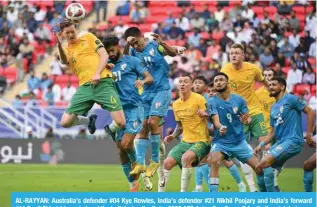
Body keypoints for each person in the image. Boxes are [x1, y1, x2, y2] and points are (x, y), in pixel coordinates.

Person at [118, 27, 177, 180]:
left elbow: (173, 53)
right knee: (143, 125)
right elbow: (123, 61)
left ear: (142, 37)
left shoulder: (154, 45)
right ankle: (139, 163)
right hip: (145, 92)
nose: (136, 46)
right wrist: (127, 44)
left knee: (153, 121)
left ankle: (155, 160)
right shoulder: (132, 52)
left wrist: (162, 42)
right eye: (133, 44)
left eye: (136, 42)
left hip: (161, 90)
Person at [54, 20, 125, 134]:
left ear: (76, 30)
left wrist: (97, 73)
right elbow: (63, 61)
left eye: (73, 31)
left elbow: (104, 55)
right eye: (67, 33)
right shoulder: (65, 49)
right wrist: (59, 44)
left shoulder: (88, 37)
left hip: (103, 82)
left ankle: (110, 129)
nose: (71, 35)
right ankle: (88, 121)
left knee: (121, 123)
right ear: (62, 34)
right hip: (85, 87)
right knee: (65, 122)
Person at [103, 36, 153, 192]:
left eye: (112, 50)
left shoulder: (132, 61)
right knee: (121, 150)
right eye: (107, 51)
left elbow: (149, 78)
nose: (110, 53)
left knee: (126, 143)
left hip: (135, 108)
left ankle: (139, 164)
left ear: (118, 46)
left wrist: (142, 82)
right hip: (119, 111)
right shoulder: (105, 66)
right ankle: (133, 185)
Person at [221, 43, 269, 192]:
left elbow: (265, 82)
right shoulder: (225, 70)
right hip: (237, 116)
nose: (233, 55)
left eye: (236, 53)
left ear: (243, 55)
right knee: (242, 151)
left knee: (266, 145)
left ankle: (269, 179)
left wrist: (275, 95)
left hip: (254, 111)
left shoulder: (253, 69)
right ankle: (253, 188)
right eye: (231, 53)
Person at [254, 77, 315, 192]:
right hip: (281, 143)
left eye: (273, 85)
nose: (270, 87)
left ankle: (271, 200)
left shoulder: (290, 99)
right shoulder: (273, 108)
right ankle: (263, 199)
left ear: (282, 87)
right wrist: (260, 145)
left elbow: (310, 112)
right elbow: (271, 134)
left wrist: (309, 134)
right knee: (259, 168)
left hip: (293, 140)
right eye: (269, 85)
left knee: (265, 162)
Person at [205, 72, 262, 192]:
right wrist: (220, 127)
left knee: (260, 168)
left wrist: (247, 121)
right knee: (214, 160)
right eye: (216, 81)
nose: (218, 82)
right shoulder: (211, 101)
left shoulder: (239, 100)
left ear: (227, 83)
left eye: (221, 80)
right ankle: (213, 197)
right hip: (221, 142)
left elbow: (247, 118)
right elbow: (216, 120)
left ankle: (263, 195)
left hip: (239, 142)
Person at [192, 76, 246, 192]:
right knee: (207, 160)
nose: (211, 93)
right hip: (206, 133)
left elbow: (214, 120)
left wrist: (207, 119)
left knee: (208, 159)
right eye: (195, 83)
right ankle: (201, 187)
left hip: (217, 135)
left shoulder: (211, 100)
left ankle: (202, 188)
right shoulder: (197, 100)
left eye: (199, 83)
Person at [159, 74, 210, 192]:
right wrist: (173, 135)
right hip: (185, 141)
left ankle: (183, 195)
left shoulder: (199, 99)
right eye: (180, 81)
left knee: (186, 158)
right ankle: (159, 196)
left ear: (191, 85)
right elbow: (180, 126)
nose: (182, 84)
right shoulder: (176, 104)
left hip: (201, 140)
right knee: (166, 163)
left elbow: (210, 116)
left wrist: (206, 114)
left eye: (186, 81)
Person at [255, 68, 281, 191]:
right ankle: (271, 189)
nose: (267, 77)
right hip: (265, 130)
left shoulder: (282, 92)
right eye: (264, 75)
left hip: (280, 129)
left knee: (278, 159)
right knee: (265, 157)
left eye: (270, 75)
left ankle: (269, 188)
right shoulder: (257, 93)